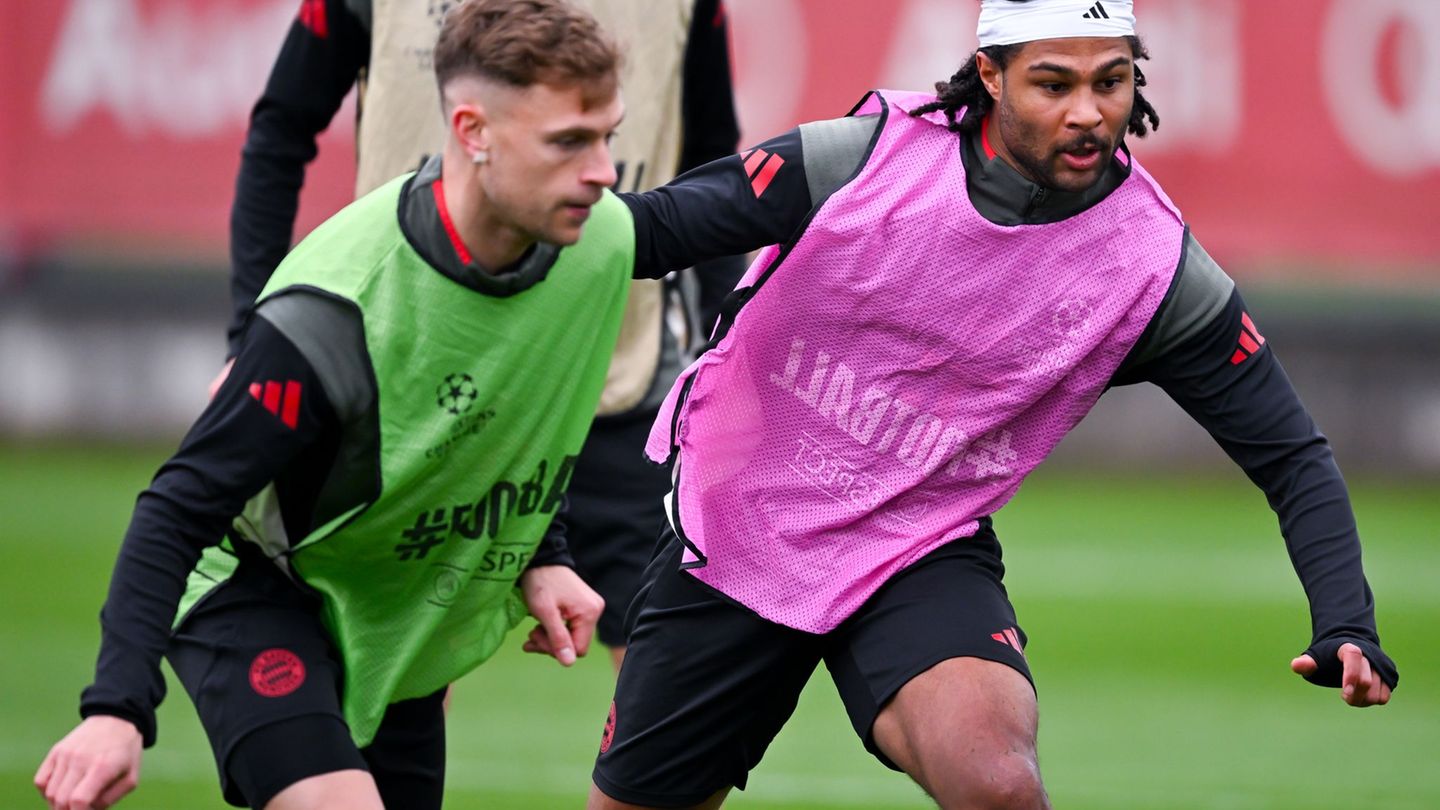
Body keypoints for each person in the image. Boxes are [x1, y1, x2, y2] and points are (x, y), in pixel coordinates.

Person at [575, 0, 1398, 807]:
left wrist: (1346, 621)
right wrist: (508, 214)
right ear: (990, 76)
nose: (1088, 113)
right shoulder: (863, 157)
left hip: (915, 540)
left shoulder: (1150, 266)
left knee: (998, 785)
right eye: (1053, 84)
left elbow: (1289, 453)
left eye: (1112, 82)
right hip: (743, 523)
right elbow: (646, 234)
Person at [35, 2, 655, 808]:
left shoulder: (591, 244)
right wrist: (116, 708)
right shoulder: (332, 313)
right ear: (472, 131)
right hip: (257, 589)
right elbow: (175, 510)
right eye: (572, 141)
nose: (607, 169)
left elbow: (502, 424)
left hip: (389, 606)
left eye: (610, 136)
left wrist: (545, 551)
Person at [222, 0, 743, 669]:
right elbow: (281, 131)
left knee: (668, 681)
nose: (600, 167)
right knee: (398, 670)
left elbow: (710, 159)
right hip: (410, 385)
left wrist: (726, 353)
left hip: (614, 376)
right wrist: (250, 339)